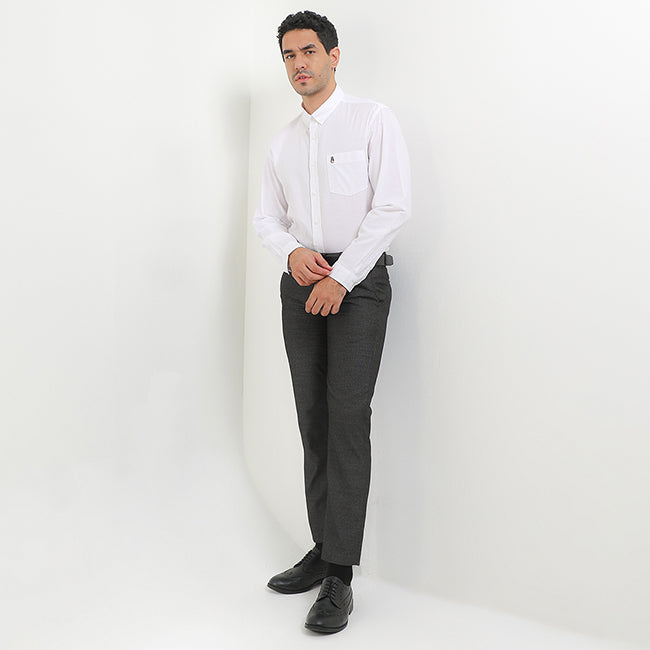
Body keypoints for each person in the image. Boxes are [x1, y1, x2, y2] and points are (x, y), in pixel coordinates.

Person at [252, 10, 411, 634]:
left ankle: (340, 574)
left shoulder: (372, 120)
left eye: (309, 51)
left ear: (334, 55)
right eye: (289, 55)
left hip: (358, 283)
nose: (300, 64)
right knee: (312, 417)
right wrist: (291, 253)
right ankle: (322, 547)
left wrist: (341, 278)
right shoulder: (282, 142)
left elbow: (392, 206)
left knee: (346, 418)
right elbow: (267, 219)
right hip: (301, 283)